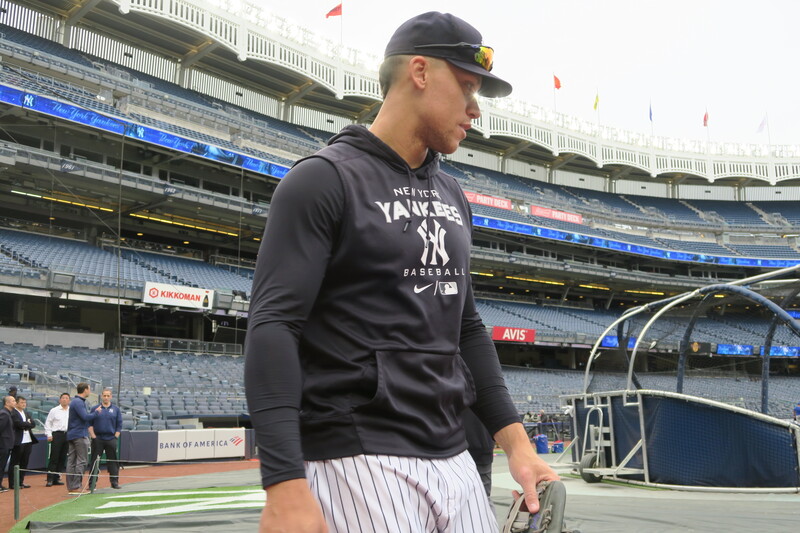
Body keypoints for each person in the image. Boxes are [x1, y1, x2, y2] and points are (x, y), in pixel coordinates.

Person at [244, 11, 557, 532]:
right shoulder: (323, 179)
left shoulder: (452, 193)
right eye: (467, 86)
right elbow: (274, 325)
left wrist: (518, 446)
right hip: (355, 457)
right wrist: (283, 482)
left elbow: (466, 328)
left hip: (454, 456)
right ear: (420, 71)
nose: (475, 108)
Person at [66, 383, 99, 494]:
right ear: (85, 390)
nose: (90, 391)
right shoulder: (79, 402)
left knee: (72, 461)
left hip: (73, 434)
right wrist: (96, 413)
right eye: (89, 389)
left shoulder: (76, 401)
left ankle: (72, 487)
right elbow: (85, 417)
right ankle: (76, 486)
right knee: (82, 461)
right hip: (79, 434)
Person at [88, 389, 122, 489]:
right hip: (97, 439)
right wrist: (93, 436)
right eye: (104, 395)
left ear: (111, 397)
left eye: (108, 396)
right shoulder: (95, 408)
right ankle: (92, 484)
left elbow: (119, 425)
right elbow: (89, 423)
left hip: (111, 439)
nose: (106, 397)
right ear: (101, 396)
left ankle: (114, 482)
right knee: (95, 462)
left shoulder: (116, 409)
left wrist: (115, 437)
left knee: (113, 462)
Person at [9, 396, 38, 489]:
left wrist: (26, 424)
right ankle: (12, 483)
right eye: (22, 402)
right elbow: (18, 423)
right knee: (15, 462)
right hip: (18, 441)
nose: (24, 404)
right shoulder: (13, 413)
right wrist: (27, 424)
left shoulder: (26, 413)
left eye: (25, 402)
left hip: (28, 440)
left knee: (24, 462)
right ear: (17, 403)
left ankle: (20, 482)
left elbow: (33, 424)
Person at [44, 393, 70, 486]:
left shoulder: (71, 411)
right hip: (57, 435)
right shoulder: (54, 410)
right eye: (63, 398)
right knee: (54, 457)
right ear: (60, 400)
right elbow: (48, 423)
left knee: (62, 458)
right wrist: (49, 434)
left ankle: (57, 478)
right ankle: (50, 479)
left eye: (66, 398)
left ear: (69, 400)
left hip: (67, 435)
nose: (64, 399)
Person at [0, 396, 16, 492]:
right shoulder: (4, 414)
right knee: (1, 465)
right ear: (7, 403)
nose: (15, 402)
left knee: (2, 465)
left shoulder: (8, 413)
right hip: (3, 445)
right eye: (13, 401)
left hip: (6, 444)